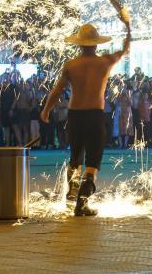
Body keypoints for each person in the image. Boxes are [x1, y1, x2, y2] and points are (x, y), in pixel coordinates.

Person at [41, 15, 132, 217]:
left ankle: (72, 192)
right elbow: (125, 49)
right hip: (95, 115)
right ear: (96, 43)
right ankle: (82, 202)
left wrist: (46, 110)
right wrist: (128, 26)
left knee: (75, 156)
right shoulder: (105, 62)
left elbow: (57, 90)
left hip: (75, 115)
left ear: (80, 44)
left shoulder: (71, 65)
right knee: (93, 159)